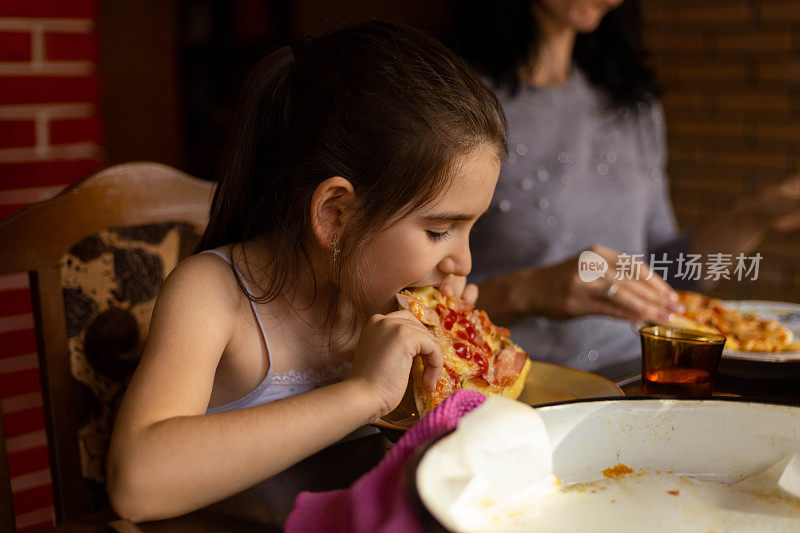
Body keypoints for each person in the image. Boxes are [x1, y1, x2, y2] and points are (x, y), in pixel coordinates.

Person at [106, 21, 505, 521]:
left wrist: (447, 375)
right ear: (336, 214)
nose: (463, 262)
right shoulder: (214, 294)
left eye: (471, 229)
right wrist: (361, 395)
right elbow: (136, 483)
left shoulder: (384, 300)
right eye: (440, 230)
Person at [450, 0, 800, 379]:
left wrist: (754, 216)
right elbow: (408, 308)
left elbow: (664, 274)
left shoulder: (631, 104)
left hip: (637, 378)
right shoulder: (456, 104)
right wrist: (528, 291)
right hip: (515, 386)